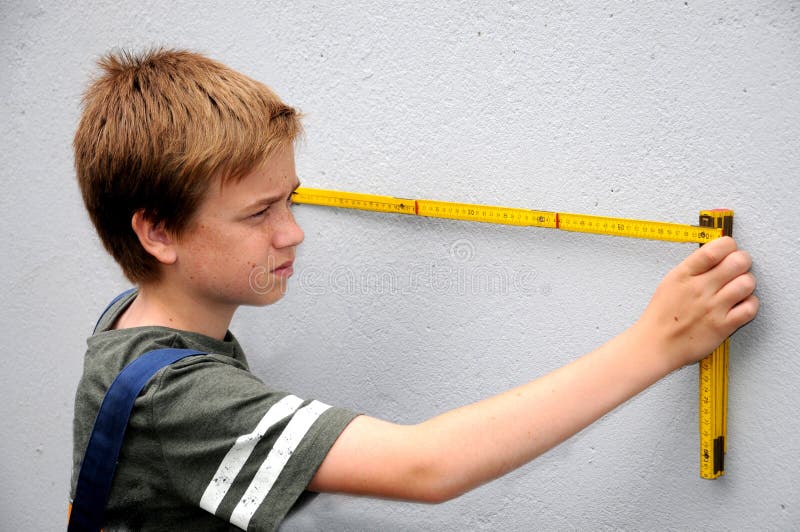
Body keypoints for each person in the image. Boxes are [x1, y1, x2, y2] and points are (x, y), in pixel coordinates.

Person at [70, 48, 759, 531]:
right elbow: (426, 467)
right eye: (259, 213)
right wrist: (657, 343)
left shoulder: (130, 325)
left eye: (292, 201)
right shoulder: (178, 398)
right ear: (158, 233)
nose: (293, 233)